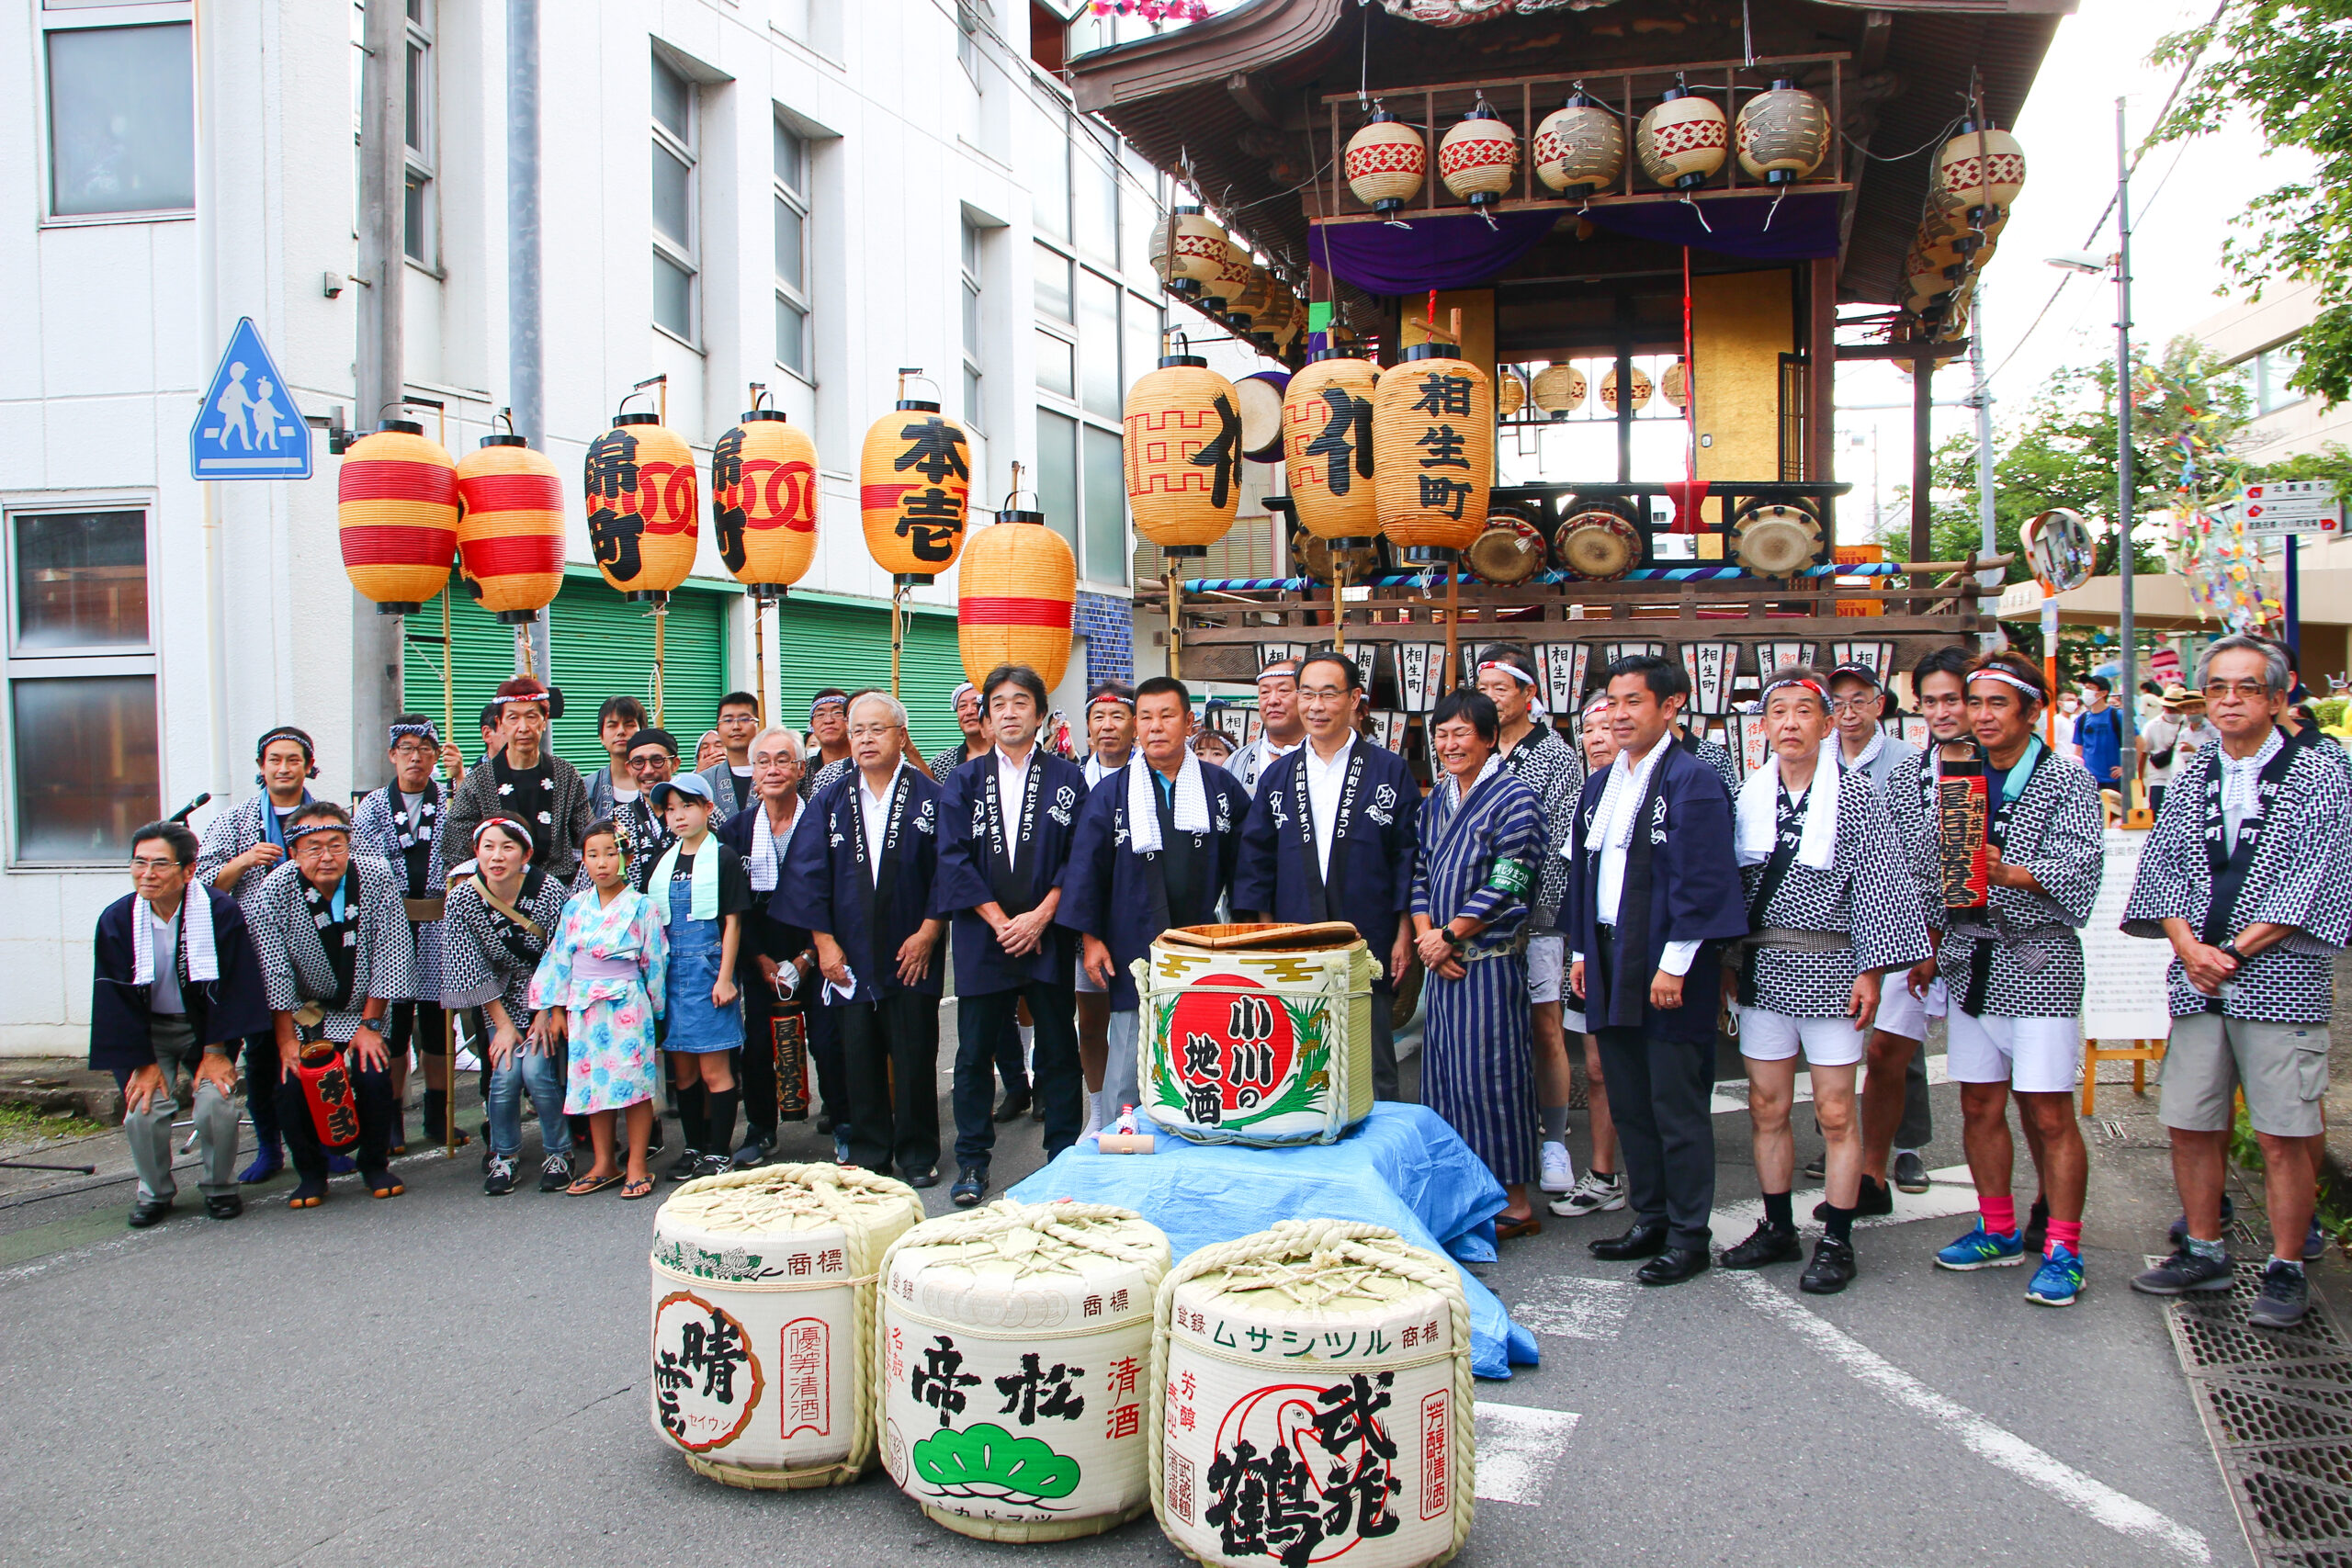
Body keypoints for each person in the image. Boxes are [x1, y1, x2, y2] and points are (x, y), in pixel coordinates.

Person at [2127, 636, 2352, 1327]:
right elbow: (2161, 868)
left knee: (2285, 1127)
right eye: (2218, 687)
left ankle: (2285, 1263)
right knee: (2191, 1118)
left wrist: (2232, 948)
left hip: (2281, 976)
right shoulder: (2194, 774)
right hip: (2198, 977)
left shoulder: (2320, 774)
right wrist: (2189, 945)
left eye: (2246, 687)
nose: (2229, 699)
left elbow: (2316, 877)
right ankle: (2204, 1246)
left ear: (2279, 698)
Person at [1718, 670, 1930, 1294]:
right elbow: (1731, 887)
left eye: (1803, 711)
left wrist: (1872, 969)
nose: (1789, 723)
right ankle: (1778, 1224)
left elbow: (1878, 884)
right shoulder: (1748, 795)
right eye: (1777, 712)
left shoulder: (1857, 795)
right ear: (1763, 727)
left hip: (1834, 966)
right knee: (1767, 1106)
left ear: (1826, 723)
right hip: (1764, 966)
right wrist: (1729, 962)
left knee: (1837, 1110)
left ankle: (1838, 1236)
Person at [1928, 652, 2105, 1308]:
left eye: (1998, 704)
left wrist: (2013, 872)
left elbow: (2083, 866)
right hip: (1972, 955)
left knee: (2049, 1107)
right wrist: (1930, 938)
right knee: (1978, 1101)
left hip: (2039, 961)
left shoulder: (2066, 777)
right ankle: (1997, 1226)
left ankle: (2063, 1245)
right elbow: (1937, 865)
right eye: (1976, 703)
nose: (1981, 716)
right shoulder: (1959, 771)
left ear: (2033, 711)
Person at [1566, 653, 1746, 1286]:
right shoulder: (1601, 782)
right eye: (1612, 701)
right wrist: (1584, 952)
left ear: (1671, 707)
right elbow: (1585, 877)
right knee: (1629, 1094)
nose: (1618, 714)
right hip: (1612, 952)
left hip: (1672, 959)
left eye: (1633, 701)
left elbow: (1702, 882)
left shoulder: (1692, 779)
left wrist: (1674, 965)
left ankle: (1689, 1232)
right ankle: (1651, 1215)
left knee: (1676, 1101)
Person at [1058, 675, 1251, 1132]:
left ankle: (1198, 1133)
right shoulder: (1110, 794)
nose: (1155, 727)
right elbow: (1086, 870)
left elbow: (1248, 868)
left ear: (1189, 722)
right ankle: (1121, 1138)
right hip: (1130, 941)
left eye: (1167, 716)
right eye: (1145, 717)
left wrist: (1246, 930)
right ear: (1135, 727)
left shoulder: (1221, 787)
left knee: (1202, 1046)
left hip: (1203, 941)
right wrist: (1091, 940)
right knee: (1128, 1049)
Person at [1235, 651, 1420, 1100]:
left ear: (1355, 699)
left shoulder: (1388, 770)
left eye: (1328, 694)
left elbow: (1408, 857)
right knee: (1299, 1064)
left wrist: (1402, 932)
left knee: (1373, 1063)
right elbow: (1255, 861)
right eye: (1307, 693)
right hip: (1293, 935)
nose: (1315, 706)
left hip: (1368, 934)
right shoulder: (1278, 775)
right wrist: (1265, 934)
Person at [935, 664, 1091, 1204]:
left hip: (1045, 932)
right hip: (985, 935)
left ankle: (1064, 1156)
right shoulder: (963, 781)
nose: (1008, 711)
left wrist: (1043, 914)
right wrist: (1002, 920)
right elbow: (951, 856)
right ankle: (973, 1161)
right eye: (997, 703)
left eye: (1020, 702)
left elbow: (1079, 857)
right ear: (985, 716)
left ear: (1041, 714)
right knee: (974, 1052)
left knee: (1056, 1046)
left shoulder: (1067, 778)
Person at [779, 691, 947, 1183]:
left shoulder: (930, 798)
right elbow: (807, 875)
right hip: (846, 954)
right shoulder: (830, 798)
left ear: (901, 735)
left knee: (915, 1054)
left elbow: (950, 871)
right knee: (860, 1057)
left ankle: (918, 1154)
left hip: (911, 948)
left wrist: (929, 933)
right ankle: (872, 1152)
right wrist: (824, 944)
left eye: (878, 729)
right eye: (858, 731)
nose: (866, 739)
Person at [1412, 689, 1547, 1236]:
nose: (1449, 744)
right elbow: (1419, 872)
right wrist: (1426, 937)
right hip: (1440, 962)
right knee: (1442, 1080)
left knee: (1492, 1077)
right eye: (1442, 734)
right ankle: (1463, 1195)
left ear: (1490, 738)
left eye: (1462, 733)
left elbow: (1511, 882)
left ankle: (1514, 1202)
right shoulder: (1435, 801)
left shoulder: (1516, 797)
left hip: (1487, 964)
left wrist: (1448, 934)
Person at [90, 821, 270, 1226]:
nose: (147, 874)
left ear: (189, 871)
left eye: (159, 864)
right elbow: (113, 995)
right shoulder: (117, 919)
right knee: (143, 1109)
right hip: (147, 1031)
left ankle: (220, 1188)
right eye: (139, 863)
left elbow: (237, 984)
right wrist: (143, 1062)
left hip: (206, 1031)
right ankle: (154, 1192)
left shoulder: (219, 911)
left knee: (216, 1104)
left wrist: (216, 1051)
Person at [250, 801, 414, 1209]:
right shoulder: (274, 889)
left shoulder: (376, 876)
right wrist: (287, 1041)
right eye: (313, 846)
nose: (326, 856)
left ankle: (374, 1163)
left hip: (365, 1009)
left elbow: (391, 953)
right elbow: (273, 970)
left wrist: (370, 1026)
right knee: (290, 1085)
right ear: (293, 851)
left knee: (375, 1075)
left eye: (336, 845)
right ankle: (311, 1173)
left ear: (349, 843)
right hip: (307, 1016)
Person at [1861, 648, 1972, 1211]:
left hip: (1992, 941)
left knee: (2010, 1087)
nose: (1941, 712)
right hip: (1914, 934)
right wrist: (1913, 933)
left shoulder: (2008, 769)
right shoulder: (1911, 773)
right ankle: (1872, 1175)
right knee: (1885, 1055)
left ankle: (2039, 1211)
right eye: (1930, 701)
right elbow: (1891, 859)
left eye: (1951, 699)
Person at [1477, 648, 1583, 1200]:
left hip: (1535, 913)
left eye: (1501, 688)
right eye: (1484, 687)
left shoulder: (1558, 758)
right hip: (1477, 917)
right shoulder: (1476, 745)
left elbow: (1561, 847)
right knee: (1490, 1026)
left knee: (1545, 1026)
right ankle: (1500, 1134)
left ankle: (1555, 1138)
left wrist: (1530, 909)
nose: (1491, 697)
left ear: (1528, 695)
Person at [194, 725, 321, 1183]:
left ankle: (325, 1142)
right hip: (253, 956)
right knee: (265, 1057)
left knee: (319, 1053)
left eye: (293, 759)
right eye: (275, 760)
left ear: (309, 765)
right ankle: (269, 1147)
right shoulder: (234, 820)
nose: (284, 768)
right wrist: (243, 861)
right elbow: (202, 890)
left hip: (319, 952)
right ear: (261, 767)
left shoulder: (326, 817)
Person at [531, 819, 667, 1200]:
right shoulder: (575, 907)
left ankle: (637, 1162)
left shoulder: (642, 907)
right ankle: (604, 1161)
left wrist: (656, 1011)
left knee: (635, 1086)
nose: (602, 862)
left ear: (625, 856)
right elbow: (560, 958)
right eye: (593, 855)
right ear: (584, 861)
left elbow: (655, 961)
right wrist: (555, 1008)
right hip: (583, 1005)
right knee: (593, 1085)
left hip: (628, 1003)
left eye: (611, 853)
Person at [439, 816, 574, 1195]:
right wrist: (501, 1024)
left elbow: (561, 954)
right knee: (503, 1075)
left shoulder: (549, 892)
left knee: (535, 1070)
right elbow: (467, 963)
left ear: (526, 854)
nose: (497, 856)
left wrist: (548, 1011)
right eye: (488, 847)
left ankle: (559, 1152)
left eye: (507, 847)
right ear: (476, 851)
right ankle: (505, 1155)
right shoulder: (462, 897)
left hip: (547, 995)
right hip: (498, 998)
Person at [352, 716, 468, 1152]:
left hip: (442, 923)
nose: (415, 756)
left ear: (435, 755)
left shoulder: (453, 801)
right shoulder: (372, 808)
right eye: (406, 748)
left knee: (439, 1026)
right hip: (393, 925)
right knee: (395, 1024)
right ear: (392, 755)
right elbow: (364, 867)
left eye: (424, 748)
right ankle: (392, 1115)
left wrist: (461, 778)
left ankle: (439, 1114)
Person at [715, 726, 820, 1166]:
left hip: (814, 945)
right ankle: (760, 1129)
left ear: (799, 768)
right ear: (753, 773)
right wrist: (758, 959)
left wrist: (809, 956)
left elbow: (834, 893)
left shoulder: (820, 821)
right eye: (763, 761)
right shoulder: (735, 830)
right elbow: (733, 907)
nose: (773, 769)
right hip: (758, 949)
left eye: (783, 760)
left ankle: (846, 1120)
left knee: (830, 1040)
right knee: (756, 1044)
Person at [647, 773, 752, 1179]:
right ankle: (693, 1146)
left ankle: (718, 1149)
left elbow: (732, 923)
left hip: (708, 969)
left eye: (687, 806)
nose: (678, 816)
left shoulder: (722, 857)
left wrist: (725, 978)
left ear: (708, 809)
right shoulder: (663, 861)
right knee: (684, 1071)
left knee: (714, 1069)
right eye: (671, 809)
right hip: (671, 973)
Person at [1552, 691, 1627, 1219]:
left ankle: (1656, 1177)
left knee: (1645, 1068)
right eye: (1590, 730)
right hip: (1589, 945)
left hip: (1643, 947)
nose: (1598, 738)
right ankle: (1603, 1172)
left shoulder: (1668, 781)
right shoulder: (1588, 792)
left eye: (1607, 727)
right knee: (1598, 1067)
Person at [440, 677, 592, 886]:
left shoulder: (567, 775)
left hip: (556, 890)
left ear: (544, 721)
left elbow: (587, 836)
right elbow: (455, 848)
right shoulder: (477, 780)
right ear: (500, 724)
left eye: (531, 717)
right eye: (513, 718)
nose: (523, 727)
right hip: (494, 891)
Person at [616, 728, 683, 893]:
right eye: (638, 762)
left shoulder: (700, 811)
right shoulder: (617, 819)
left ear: (675, 764)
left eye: (657, 760)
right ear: (629, 768)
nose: (648, 770)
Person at [1228, 658, 1304, 796]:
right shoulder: (1237, 761)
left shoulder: (1325, 756)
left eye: (1283, 690)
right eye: (1265, 692)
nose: (1273, 700)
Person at [2139, 685, 2214, 817]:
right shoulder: (2180, 732)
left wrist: (2195, 751)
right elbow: (2144, 753)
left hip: (2205, 783)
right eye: (2189, 708)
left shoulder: (2213, 730)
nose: (2193, 711)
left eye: (2197, 707)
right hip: (2167, 781)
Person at [698, 693, 763, 818]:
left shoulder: (775, 775)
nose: (736, 727)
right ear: (718, 728)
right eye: (728, 720)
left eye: (744, 719)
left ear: (759, 726)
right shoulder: (705, 780)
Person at [586, 695, 647, 821]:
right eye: (612, 725)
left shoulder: (659, 783)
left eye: (629, 725)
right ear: (601, 737)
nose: (621, 731)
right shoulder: (588, 788)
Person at [2070, 672, 2124, 792]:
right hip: (2089, 780)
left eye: (2091, 688)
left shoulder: (2117, 715)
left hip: (2114, 780)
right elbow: (2079, 749)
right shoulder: (2082, 719)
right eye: (2086, 687)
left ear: (2103, 693)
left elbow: (2139, 742)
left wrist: (2126, 767)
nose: (2086, 691)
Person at [801, 689, 854, 800]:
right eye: (820, 714)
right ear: (812, 724)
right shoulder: (803, 771)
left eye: (837, 713)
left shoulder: (865, 765)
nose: (828, 720)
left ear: (850, 720)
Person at [929, 682, 989, 777]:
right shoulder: (941, 764)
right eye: (962, 706)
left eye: (976, 704)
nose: (969, 711)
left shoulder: (1010, 756)